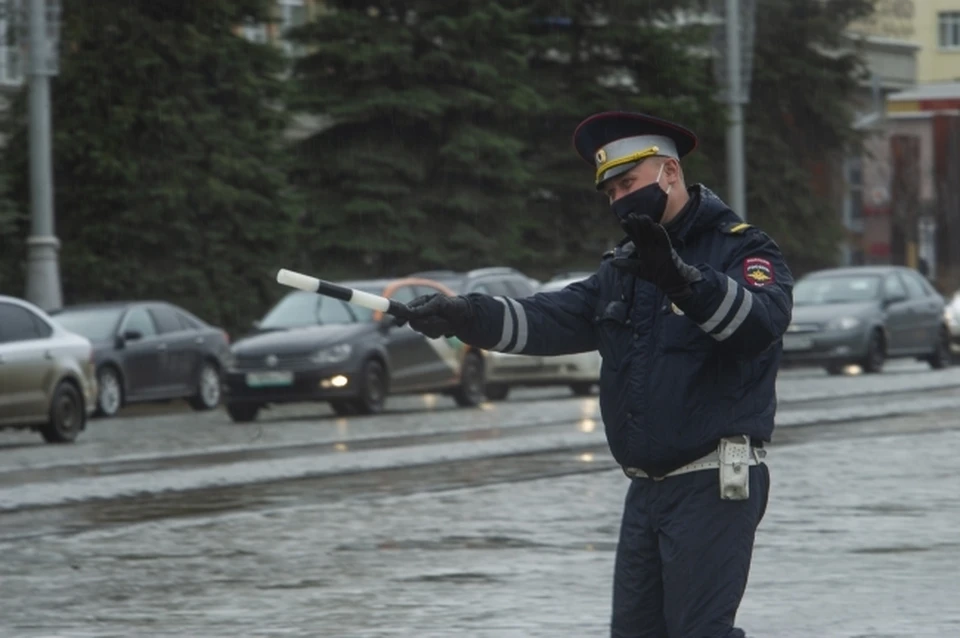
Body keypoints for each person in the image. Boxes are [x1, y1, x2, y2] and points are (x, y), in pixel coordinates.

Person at [400, 111, 794, 637]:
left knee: (700, 632)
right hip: (645, 489)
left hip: (714, 480)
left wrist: (684, 283)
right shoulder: (625, 267)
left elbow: (760, 326)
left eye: (628, 183)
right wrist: (464, 315)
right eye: (610, 192)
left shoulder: (741, 248)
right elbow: (548, 319)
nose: (619, 200)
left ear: (670, 173)